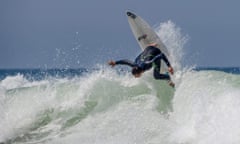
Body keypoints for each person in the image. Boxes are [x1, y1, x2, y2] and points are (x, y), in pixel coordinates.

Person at [108, 43, 175, 87]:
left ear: (140, 72)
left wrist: (169, 66)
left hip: (157, 52)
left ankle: (167, 77)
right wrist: (115, 63)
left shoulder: (148, 63)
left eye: (136, 76)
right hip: (148, 48)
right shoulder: (134, 65)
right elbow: (125, 61)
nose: (135, 77)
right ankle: (151, 46)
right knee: (136, 60)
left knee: (156, 76)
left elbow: (161, 55)